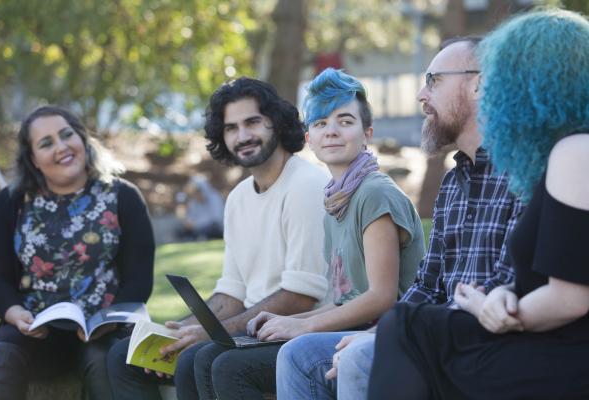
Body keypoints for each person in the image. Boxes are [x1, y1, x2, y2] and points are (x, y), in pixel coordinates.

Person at [277, 36, 526, 400]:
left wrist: (387, 335)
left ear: (478, 85)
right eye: (319, 123)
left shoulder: (521, 176)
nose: (421, 96)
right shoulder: (454, 184)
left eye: (434, 81)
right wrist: (381, 334)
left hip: (479, 340)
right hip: (433, 329)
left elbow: (502, 290)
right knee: (300, 355)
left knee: (358, 358)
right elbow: (426, 287)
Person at [368, 9, 589, 399]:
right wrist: (507, 295)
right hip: (542, 335)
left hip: (563, 352)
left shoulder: (576, 151)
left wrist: (501, 312)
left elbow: (571, 297)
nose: (491, 92)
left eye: (500, 78)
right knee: (406, 328)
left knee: (406, 329)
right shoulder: (555, 154)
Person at [201, 68, 425, 400]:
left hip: (387, 333)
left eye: (345, 121)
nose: (331, 131)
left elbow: (381, 297)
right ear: (310, 138)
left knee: (237, 365)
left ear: (367, 134)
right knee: (215, 357)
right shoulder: (337, 199)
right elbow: (345, 297)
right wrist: (285, 321)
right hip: (355, 325)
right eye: (320, 123)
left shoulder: (374, 194)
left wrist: (302, 325)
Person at [107, 77, 331, 400]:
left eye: (253, 122)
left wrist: (209, 334)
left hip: (295, 331)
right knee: (123, 356)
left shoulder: (305, 186)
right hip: (250, 333)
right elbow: (231, 295)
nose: (243, 136)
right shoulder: (239, 198)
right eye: (231, 128)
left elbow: (300, 297)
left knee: (197, 359)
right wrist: (182, 329)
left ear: (277, 124)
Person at [0, 105, 155, 400]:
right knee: (4, 358)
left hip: (104, 326)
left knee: (104, 362)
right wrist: (15, 314)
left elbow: (139, 278)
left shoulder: (123, 196)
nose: (61, 147)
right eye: (46, 143)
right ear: (33, 159)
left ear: (83, 139)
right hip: (33, 328)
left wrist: (110, 320)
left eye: (67, 135)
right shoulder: (11, 201)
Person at [175, 175, 224, 241]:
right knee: (180, 231)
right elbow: (191, 218)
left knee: (210, 229)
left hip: (214, 229)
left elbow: (216, 219)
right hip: (199, 228)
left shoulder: (215, 198)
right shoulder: (195, 202)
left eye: (197, 192)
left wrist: (196, 225)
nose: (196, 195)